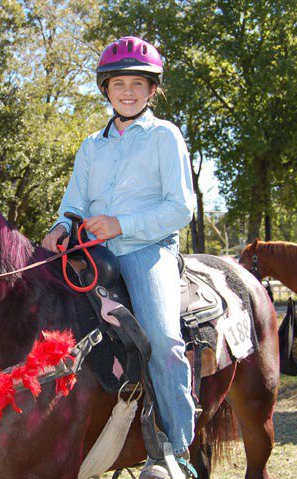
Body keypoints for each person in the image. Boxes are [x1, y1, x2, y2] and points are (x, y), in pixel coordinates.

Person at [41, 36, 196, 479]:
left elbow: (181, 208)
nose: (128, 91)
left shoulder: (166, 136)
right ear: (105, 89)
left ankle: (176, 451)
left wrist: (122, 223)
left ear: (152, 91)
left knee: (164, 342)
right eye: (119, 83)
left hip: (149, 249)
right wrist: (59, 228)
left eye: (138, 84)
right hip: (92, 252)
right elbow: (73, 204)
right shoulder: (92, 145)